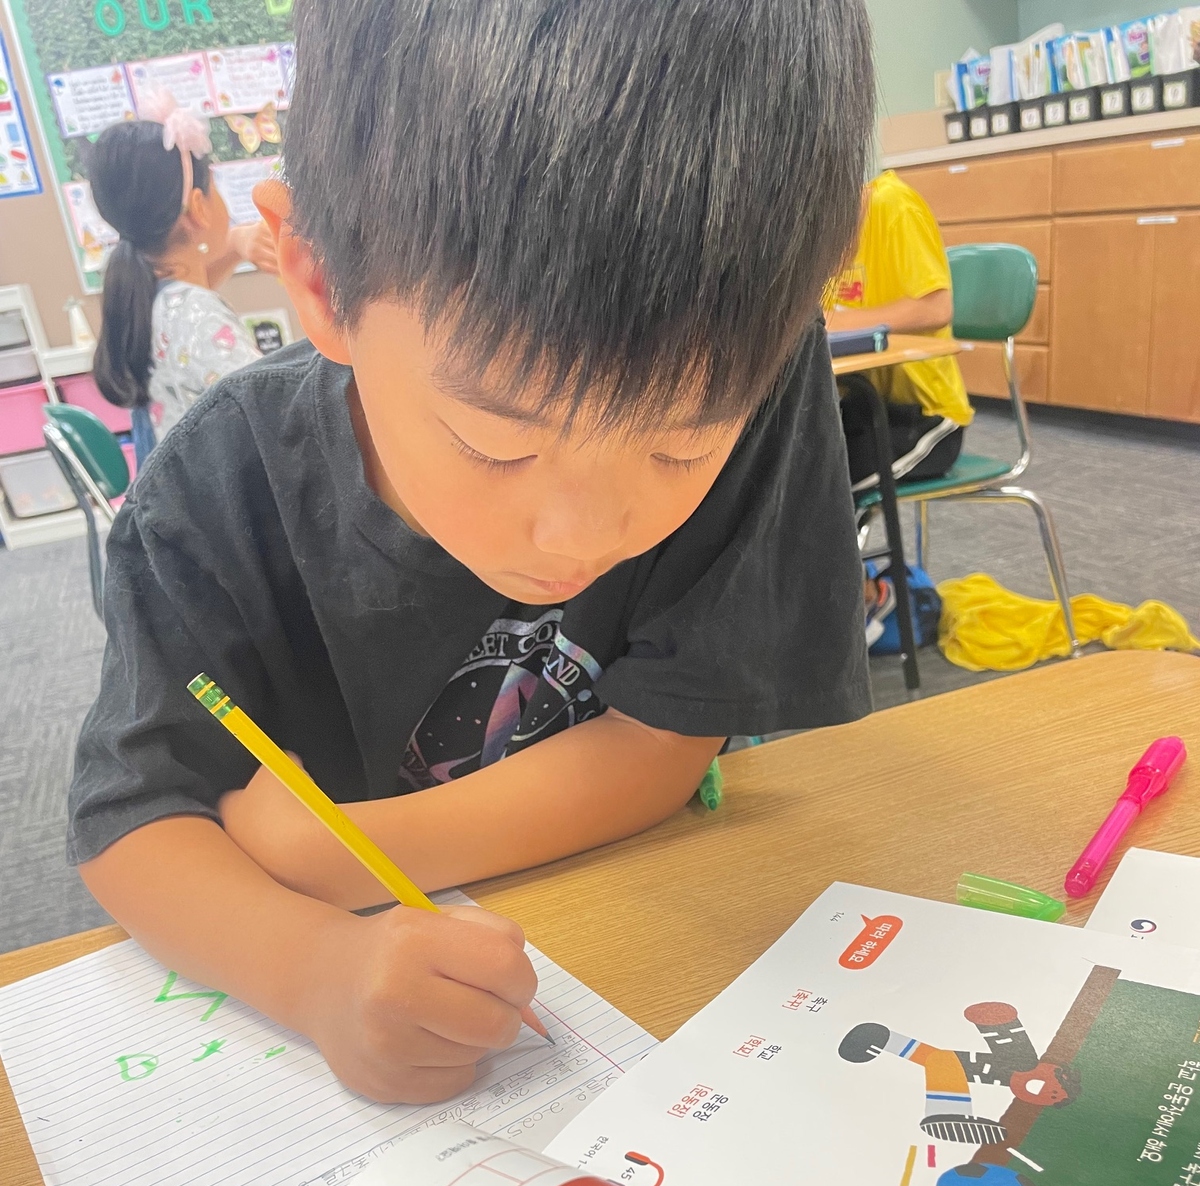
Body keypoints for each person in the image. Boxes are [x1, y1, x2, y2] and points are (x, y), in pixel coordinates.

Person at [70, 0, 875, 1107]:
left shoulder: (756, 350)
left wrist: (341, 852)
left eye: (681, 448)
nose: (581, 538)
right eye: (499, 443)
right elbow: (129, 817)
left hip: (637, 942)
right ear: (319, 282)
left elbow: (667, 734)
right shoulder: (216, 489)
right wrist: (313, 967)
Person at [826, 170, 974, 642]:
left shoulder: (893, 205)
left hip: (928, 418)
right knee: (783, 462)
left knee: (826, 484)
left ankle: (870, 599)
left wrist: (841, 321)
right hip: (862, 405)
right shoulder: (820, 227)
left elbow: (937, 307)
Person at [89, 93, 276, 459]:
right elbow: (268, 410)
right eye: (215, 188)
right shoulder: (198, 311)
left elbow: (189, 295)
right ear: (200, 207)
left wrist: (236, 244)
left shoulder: (148, 296)